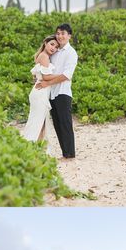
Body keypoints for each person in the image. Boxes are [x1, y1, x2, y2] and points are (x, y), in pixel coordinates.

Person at [35, 23, 78, 159]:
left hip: (63, 92)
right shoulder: (54, 50)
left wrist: (47, 82)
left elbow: (66, 75)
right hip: (51, 93)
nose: (60, 36)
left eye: (63, 33)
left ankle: (70, 154)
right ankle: (65, 153)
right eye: (58, 33)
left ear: (69, 36)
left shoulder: (71, 53)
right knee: (57, 124)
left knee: (65, 123)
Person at [21, 35, 59, 152]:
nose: (54, 48)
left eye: (57, 47)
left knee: (40, 123)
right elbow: (46, 77)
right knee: (37, 123)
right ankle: (28, 148)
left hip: (40, 92)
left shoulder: (43, 56)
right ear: (45, 43)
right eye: (52, 44)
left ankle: (35, 149)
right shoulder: (44, 56)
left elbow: (39, 76)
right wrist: (63, 76)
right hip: (40, 93)